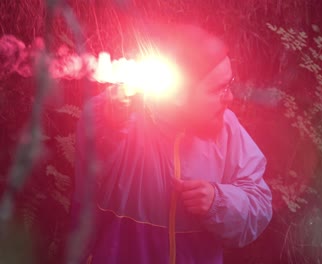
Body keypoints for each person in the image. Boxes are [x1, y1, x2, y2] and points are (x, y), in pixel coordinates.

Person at [72, 24, 272, 264]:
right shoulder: (122, 116)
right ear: (182, 92)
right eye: (218, 90)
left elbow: (259, 204)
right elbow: (93, 168)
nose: (229, 98)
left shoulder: (227, 129)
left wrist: (218, 201)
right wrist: (110, 122)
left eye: (229, 85)